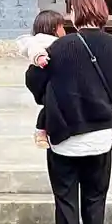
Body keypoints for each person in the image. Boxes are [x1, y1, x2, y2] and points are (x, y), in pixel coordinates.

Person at [26, 0, 112, 224]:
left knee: (66, 203)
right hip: (101, 136)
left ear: (75, 11)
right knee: (95, 203)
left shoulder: (60, 47)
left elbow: (36, 85)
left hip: (65, 138)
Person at [18, 8, 66, 147]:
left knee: (49, 106)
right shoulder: (41, 41)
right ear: (54, 28)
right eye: (62, 27)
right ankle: (40, 131)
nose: (64, 31)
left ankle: (41, 132)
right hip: (44, 75)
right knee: (50, 104)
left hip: (47, 80)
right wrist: (40, 57)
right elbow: (34, 50)